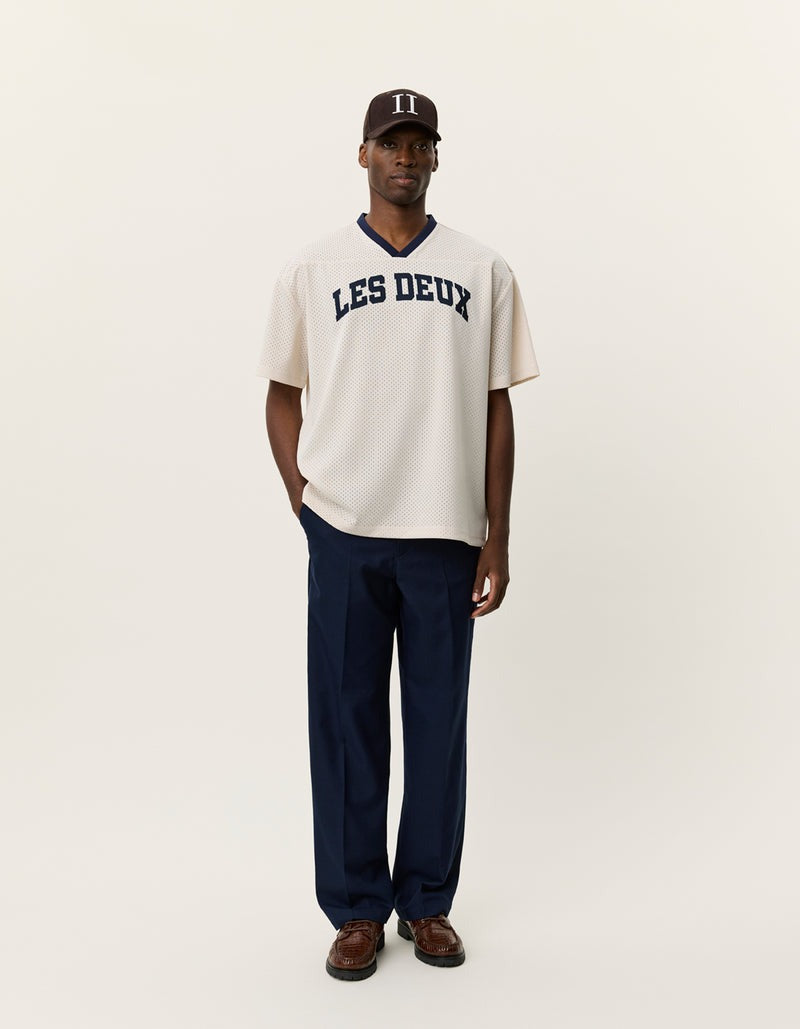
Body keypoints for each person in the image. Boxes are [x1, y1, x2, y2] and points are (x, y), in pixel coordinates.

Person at [255, 88, 540, 980]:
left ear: (437, 157)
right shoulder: (313, 267)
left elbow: (497, 406)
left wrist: (496, 535)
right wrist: (305, 499)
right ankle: (354, 909)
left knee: (437, 723)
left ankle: (426, 901)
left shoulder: (483, 269)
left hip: (446, 530)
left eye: (420, 144)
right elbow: (280, 393)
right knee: (346, 723)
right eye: (391, 143)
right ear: (364, 155)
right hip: (345, 527)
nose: (405, 158)